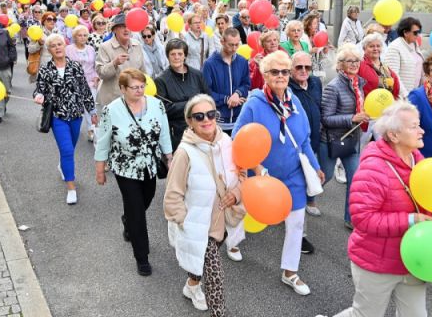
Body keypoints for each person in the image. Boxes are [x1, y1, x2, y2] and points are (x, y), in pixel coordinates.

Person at [231, 51, 324, 296]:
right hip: (262, 175)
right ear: (264, 75)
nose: (281, 76)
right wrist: (257, 168)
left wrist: (315, 167)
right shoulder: (254, 103)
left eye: (285, 71)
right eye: (275, 72)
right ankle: (232, 241)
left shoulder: (294, 101)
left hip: (293, 174)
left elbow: (303, 140)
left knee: (296, 223)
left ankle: (290, 271)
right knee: (247, 212)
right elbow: (237, 139)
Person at [331, 102, 431, 317]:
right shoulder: (373, 169)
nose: (422, 131)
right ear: (394, 136)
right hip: (376, 261)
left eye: (419, 124)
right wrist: (411, 220)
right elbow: (363, 219)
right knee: (365, 315)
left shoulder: (418, 160)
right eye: (414, 126)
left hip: (412, 259)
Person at [164, 94, 244, 316]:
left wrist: (236, 194)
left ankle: (191, 286)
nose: (206, 120)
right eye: (199, 116)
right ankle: (219, 312)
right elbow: (173, 193)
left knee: (199, 263)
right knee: (215, 275)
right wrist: (182, 222)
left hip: (223, 221)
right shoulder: (184, 153)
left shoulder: (227, 143)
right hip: (197, 224)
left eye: (211, 114)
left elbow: (242, 175)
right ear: (190, 121)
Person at [95, 69, 173, 276]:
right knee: (137, 211)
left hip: (150, 166)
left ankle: (128, 219)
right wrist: (100, 169)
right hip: (124, 167)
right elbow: (102, 141)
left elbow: (164, 131)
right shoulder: (112, 110)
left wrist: (170, 157)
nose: (139, 90)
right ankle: (142, 256)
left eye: (142, 86)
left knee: (145, 200)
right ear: (122, 89)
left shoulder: (156, 105)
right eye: (134, 87)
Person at [34, 34, 97, 205]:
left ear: (65, 45)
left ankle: (63, 165)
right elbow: (38, 89)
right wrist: (39, 95)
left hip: (76, 115)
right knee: (67, 150)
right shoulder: (46, 69)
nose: (57, 47)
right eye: (53, 45)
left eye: (59, 44)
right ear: (49, 50)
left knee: (70, 147)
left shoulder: (75, 66)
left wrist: (92, 111)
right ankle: (71, 187)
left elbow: (84, 90)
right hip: (57, 116)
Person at [321, 44, 367, 229]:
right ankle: (305, 200)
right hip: (331, 140)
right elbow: (326, 118)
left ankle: (350, 218)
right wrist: (352, 118)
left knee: (355, 180)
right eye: (350, 61)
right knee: (325, 176)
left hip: (352, 140)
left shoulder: (358, 84)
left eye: (357, 60)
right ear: (340, 65)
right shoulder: (333, 87)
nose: (355, 64)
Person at [155, 39, 209, 151]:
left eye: (180, 54)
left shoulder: (197, 75)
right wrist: (191, 104)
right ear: (167, 56)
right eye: (173, 54)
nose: (176, 57)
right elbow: (163, 108)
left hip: (200, 128)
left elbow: (207, 98)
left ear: (185, 56)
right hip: (177, 133)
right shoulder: (161, 80)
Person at [288, 52, 323, 218]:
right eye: (299, 67)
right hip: (295, 142)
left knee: (320, 172)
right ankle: (292, 210)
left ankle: (309, 199)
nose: (304, 70)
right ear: (291, 69)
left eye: (307, 67)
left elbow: (319, 106)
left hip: (314, 138)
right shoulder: (286, 87)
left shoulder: (316, 82)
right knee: (297, 179)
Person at [202, 28, 250, 135]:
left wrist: (238, 94)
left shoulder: (242, 61)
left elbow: (246, 84)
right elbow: (206, 92)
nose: (234, 48)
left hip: (239, 119)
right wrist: (227, 99)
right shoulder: (209, 64)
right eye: (230, 45)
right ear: (222, 41)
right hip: (218, 121)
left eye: (237, 45)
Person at [94, 13, 145, 109]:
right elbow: (101, 73)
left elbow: (143, 72)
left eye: (128, 26)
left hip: (134, 99)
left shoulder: (137, 45)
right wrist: (114, 63)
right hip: (113, 101)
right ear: (114, 30)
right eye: (122, 26)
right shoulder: (105, 47)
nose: (126, 29)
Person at [66, 26, 100, 143]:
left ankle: (91, 129)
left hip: (90, 81)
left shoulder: (91, 48)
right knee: (75, 106)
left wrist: (96, 77)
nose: (83, 38)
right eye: (80, 35)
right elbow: (65, 65)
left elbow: (95, 64)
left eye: (85, 35)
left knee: (91, 106)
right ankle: (72, 128)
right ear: (75, 37)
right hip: (74, 81)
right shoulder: (68, 49)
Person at [357, 33, 404, 99]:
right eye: (371, 46)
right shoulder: (359, 65)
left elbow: (396, 88)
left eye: (378, 46)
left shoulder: (386, 68)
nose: (375, 49)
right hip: (367, 106)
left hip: (387, 106)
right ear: (364, 49)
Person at [383, 17, 424, 92]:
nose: (418, 35)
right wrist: (406, 96)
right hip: (403, 97)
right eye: (415, 32)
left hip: (416, 93)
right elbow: (393, 76)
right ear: (405, 32)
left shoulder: (414, 44)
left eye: (419, 32)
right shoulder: (395, 47)